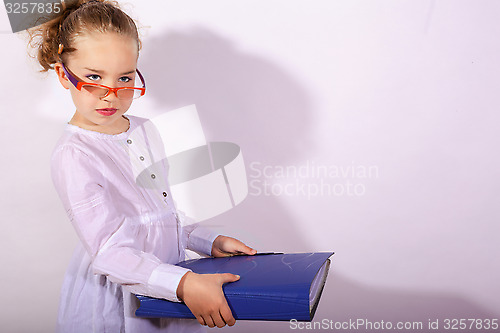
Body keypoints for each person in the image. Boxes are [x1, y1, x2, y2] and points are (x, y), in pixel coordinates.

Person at [26, 0, 257, 332]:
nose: (112, 94)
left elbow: (158, 214)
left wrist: (206, 240)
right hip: (120, 293)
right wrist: (183, 284)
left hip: (170, 276)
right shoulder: (74, 155)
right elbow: (109, 251)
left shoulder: (145, 128)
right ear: (64, 75)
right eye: (93, 77)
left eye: (124, 77)